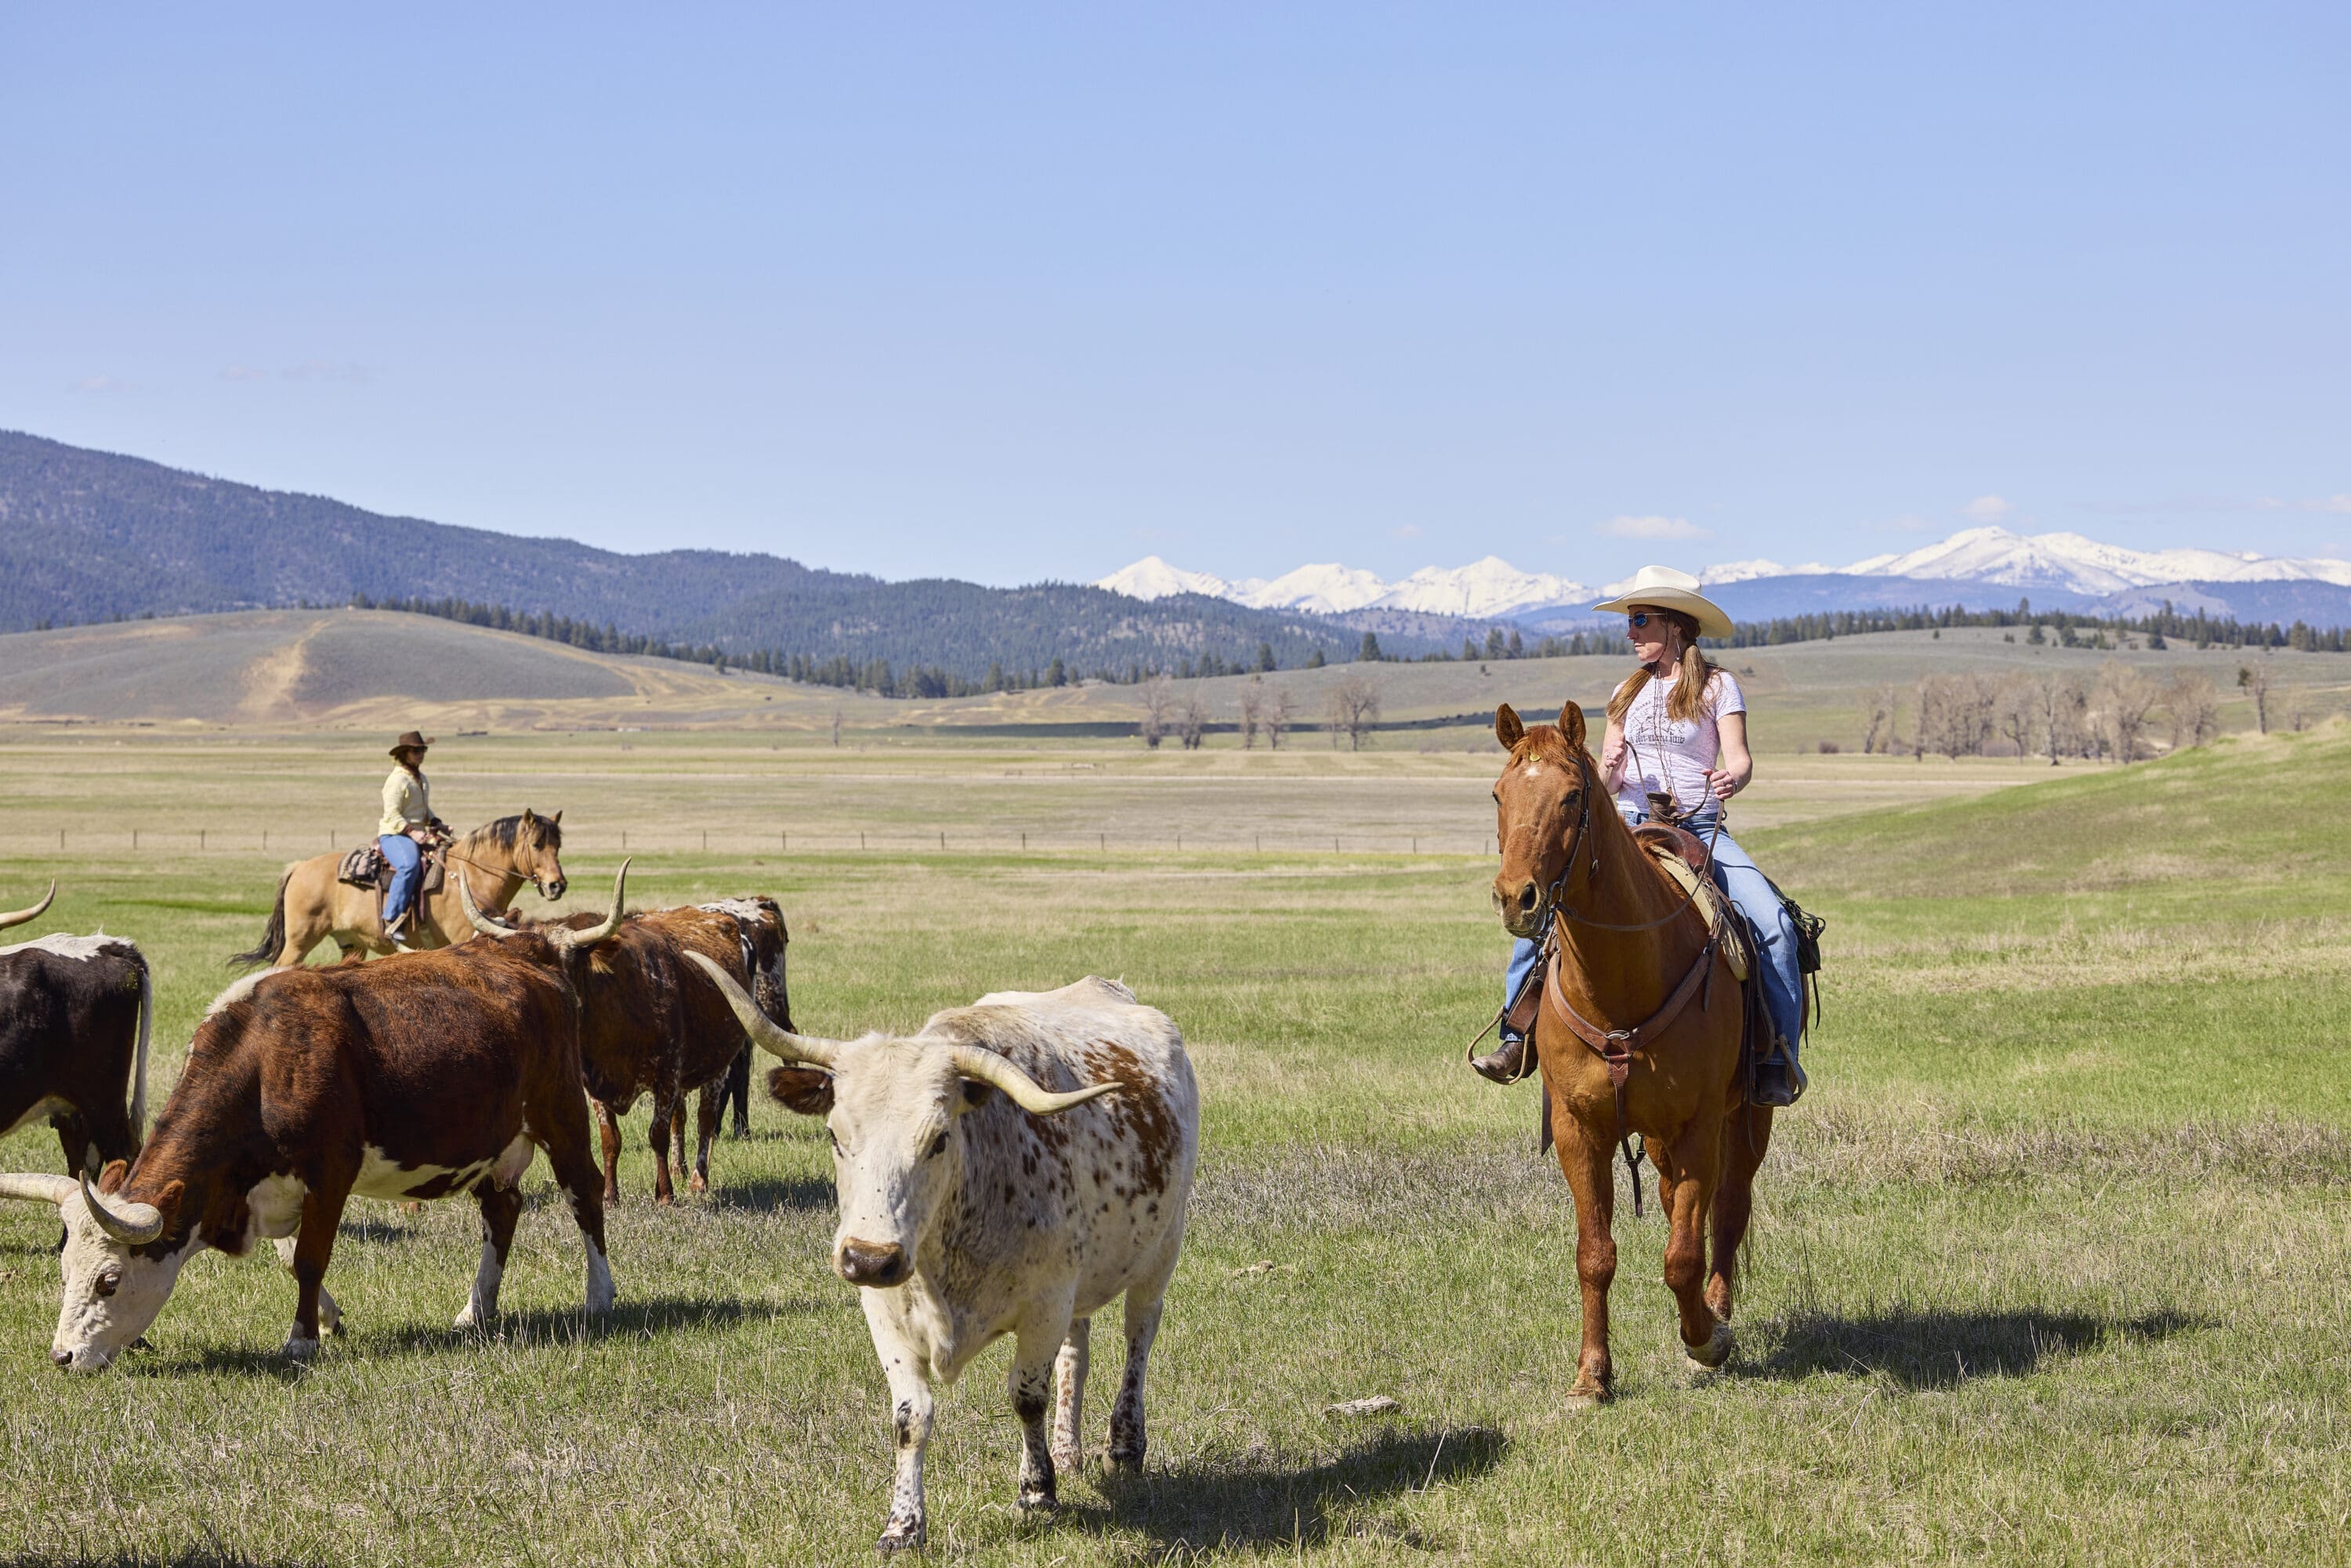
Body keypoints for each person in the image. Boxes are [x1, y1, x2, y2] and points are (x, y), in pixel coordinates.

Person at [1471, 565, 1808, 1105]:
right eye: (1630, 620)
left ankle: (1776, 1056)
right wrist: (1603, 771)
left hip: (1700, 827)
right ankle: (1517, 1039)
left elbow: (1741, 758)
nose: (1631, 632)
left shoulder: (1720, 686)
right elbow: (1607, 780)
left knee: (1773, 925)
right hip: (1627, 828)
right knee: (1547, 917)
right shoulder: (1624, 693)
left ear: (1675, 625)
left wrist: (1732, 776)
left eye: (1641, 620)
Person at [378, 730, 448, 948]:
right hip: (395, 834)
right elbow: (391, 813)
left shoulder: (420, 778)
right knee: (409, 865)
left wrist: (437, 822)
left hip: (417, 833)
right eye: (416, 750)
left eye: (423, 750)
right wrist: (412, 832)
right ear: (404, 754)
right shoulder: (397, 780)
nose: (421, 754)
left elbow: (423, 809)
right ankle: (392, 918)